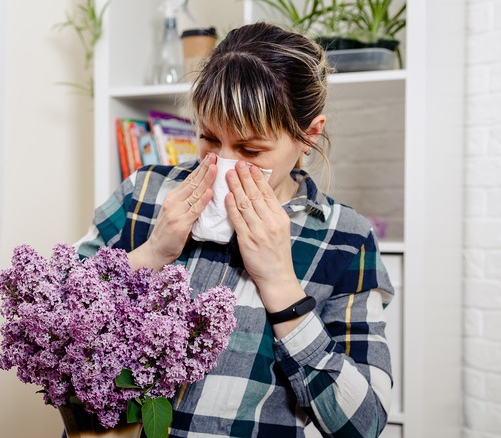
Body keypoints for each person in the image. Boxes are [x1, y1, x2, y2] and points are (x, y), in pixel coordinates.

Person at [75, 22, 394, 437]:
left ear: (308, 136)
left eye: (250, 150)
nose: (223, 163)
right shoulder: (145, 194)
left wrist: (280, 284)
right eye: (208, 138)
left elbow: (363, 425)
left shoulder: (345, 239)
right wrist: (151, 254)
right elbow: (50, 317)